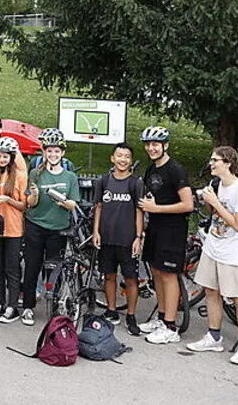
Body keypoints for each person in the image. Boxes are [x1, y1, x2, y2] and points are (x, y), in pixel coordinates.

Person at [186, 146, 238, 366]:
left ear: (228, 163)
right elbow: (216, 214)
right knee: (211, 291)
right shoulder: (217, 185)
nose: (211, 163)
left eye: (215, 160)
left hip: (234, 253)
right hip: (213, 247)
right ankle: (214, 336)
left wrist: (216, 202)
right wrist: (209, 202)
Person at [136, 125, 194, 344]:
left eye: (155, 144)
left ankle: (171, 326)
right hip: (155, 227)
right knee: (157, 272)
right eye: (148, 145)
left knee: (169, 275)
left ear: (165, 145)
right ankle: (161, 317)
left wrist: (156, 208)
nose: (151, 148)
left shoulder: (175, 170)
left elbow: (188, 204)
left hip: (173, 229)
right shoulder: (151, 169)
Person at [20, 128, 80, 326]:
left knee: (55, 268)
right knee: (32, 266)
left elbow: (73, 203)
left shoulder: (70, 177)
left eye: (56, 151)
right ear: (44, 152)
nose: (53, 154)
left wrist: (64, 201)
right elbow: (30, 203)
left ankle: (56, 306)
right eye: (49, 151)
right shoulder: (35, 173)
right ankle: (28, 307)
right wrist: (35, 194)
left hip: (58, 228)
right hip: (36, 225)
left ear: (62, 153)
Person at [92, 142, 145, 336]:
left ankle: (131, 315)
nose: (123, 160)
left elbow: (139, 211)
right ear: (112, 158)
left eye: (127, 157)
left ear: (131, 160)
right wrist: (96, 231)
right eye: (119, 156)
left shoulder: (135, 183)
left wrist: (138, 237)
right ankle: (111, 310)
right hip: (107, 237)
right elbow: (98, 207)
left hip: (127, 239)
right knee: (109, 275)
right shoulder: (104, 181)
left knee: (131, 278)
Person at [0, 136, 28, 323]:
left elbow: (24, 205)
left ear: (12, 157)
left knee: (12, 268)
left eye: (5, 156)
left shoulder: (20, 176)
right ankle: (0, 302)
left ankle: (12, 305)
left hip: (13, 228)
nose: (1, 159)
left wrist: (8, 200)